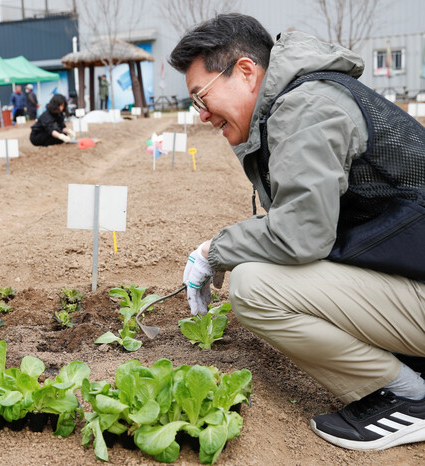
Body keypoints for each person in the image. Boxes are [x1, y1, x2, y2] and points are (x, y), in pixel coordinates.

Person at [169, 13, 425, 451]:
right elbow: (306, 216)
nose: (204, 114)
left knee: (255, 287)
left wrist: (215, 250)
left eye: (201, 96)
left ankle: (409, 399)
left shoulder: (306, 106)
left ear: (246, 71)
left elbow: (300, 236)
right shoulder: (305, 98)